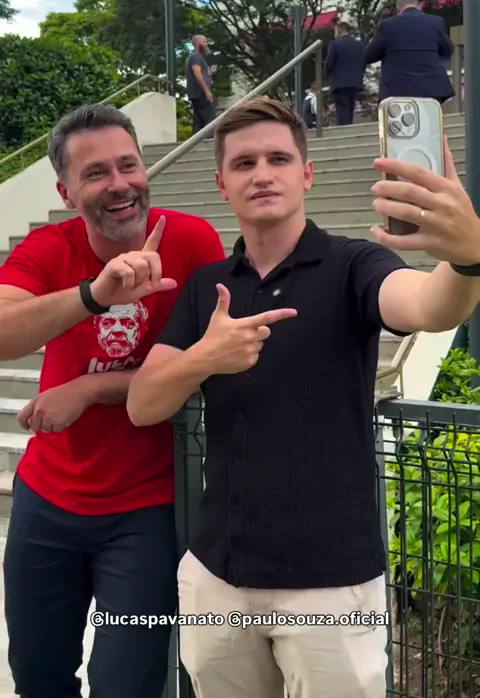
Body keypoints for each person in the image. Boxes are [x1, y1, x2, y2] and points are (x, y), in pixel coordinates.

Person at [126, 95, 480, 698]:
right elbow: (142, 404)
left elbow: (427, 306)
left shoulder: (353, 265)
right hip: (218, 578)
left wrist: (468, 258)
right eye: (243, 164)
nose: (262, 174)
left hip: (331, 585)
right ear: (221, 185)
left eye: (278, 159)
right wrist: (205, 358)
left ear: (307, 174)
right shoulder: (207, 287)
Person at [0, 103, 225, 698]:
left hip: (146, 511)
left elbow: (209, 361)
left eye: (129, 165)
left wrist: (92, 387)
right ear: (66, 192)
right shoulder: (49, 248)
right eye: (96, 173)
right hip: (47, 501)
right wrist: (93, 295)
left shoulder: (191, 241)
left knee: (127, 684)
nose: (119, 184)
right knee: (38, 676)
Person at [364, 0, 455, 104]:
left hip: (398, 88)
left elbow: (369, 56)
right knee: (429, 115)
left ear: (399, 8)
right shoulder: (436, 22)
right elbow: (448, 49)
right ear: (419, 6)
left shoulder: (387, 25)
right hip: (431, 86)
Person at [324, 22, 365, 125]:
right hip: (355, 81)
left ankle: (344, 128)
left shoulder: (334, 44)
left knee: (342, 107)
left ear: (339, 30)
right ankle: (350, 125)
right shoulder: (359, 45)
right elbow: (363, 62)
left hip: (340, 82)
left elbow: (329, 63)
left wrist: (327, 73)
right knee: (350, 106)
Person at [186, 34, 217, 134]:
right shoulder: (196, 56)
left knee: (198, 121)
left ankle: (195, 141)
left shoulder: (194, 57)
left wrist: (207, 74)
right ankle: (209, 140)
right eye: (204, 42)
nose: (206, 44)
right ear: (197, 44)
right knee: (210, 120)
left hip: (195, 94)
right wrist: (207, 91)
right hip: (201, 93)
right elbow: (197, 74)